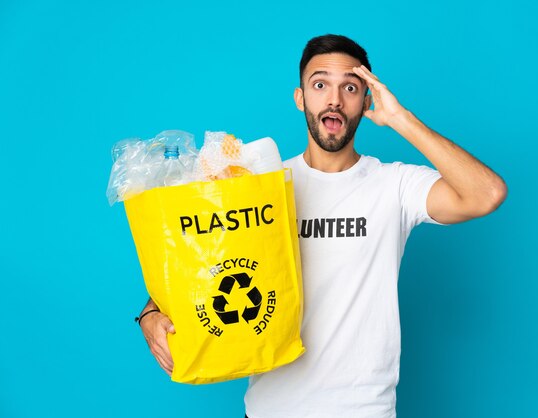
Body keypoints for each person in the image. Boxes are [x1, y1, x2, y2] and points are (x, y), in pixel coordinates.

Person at [137, 34, 507, 418]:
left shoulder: (395, 185)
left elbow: (487, 193)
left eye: (349, 87)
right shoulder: (261, 186)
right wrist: (150, 313)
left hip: (365, 410)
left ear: (366, 102)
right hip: (269, 410)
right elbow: (208, 269)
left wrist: (400, 119)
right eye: (320, 84)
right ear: (300, 99)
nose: (334, 100)